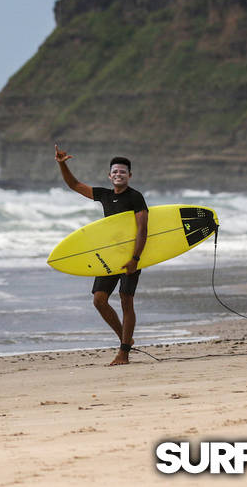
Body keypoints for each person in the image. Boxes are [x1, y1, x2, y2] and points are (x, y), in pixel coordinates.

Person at [54, 143, 148, 366]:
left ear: (129, 175)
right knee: (99, 299)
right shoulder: (104, 195)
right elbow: (74, 185)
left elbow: (143, 229)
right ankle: (126, 339)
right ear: (109, 175)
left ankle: (123, 353)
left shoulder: (136, 197)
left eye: (122, 172)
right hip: (110, 255)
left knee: (126, 300)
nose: (118, 174)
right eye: (115, 171)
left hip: (131, 256)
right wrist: (62, 165)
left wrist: (135, 258)